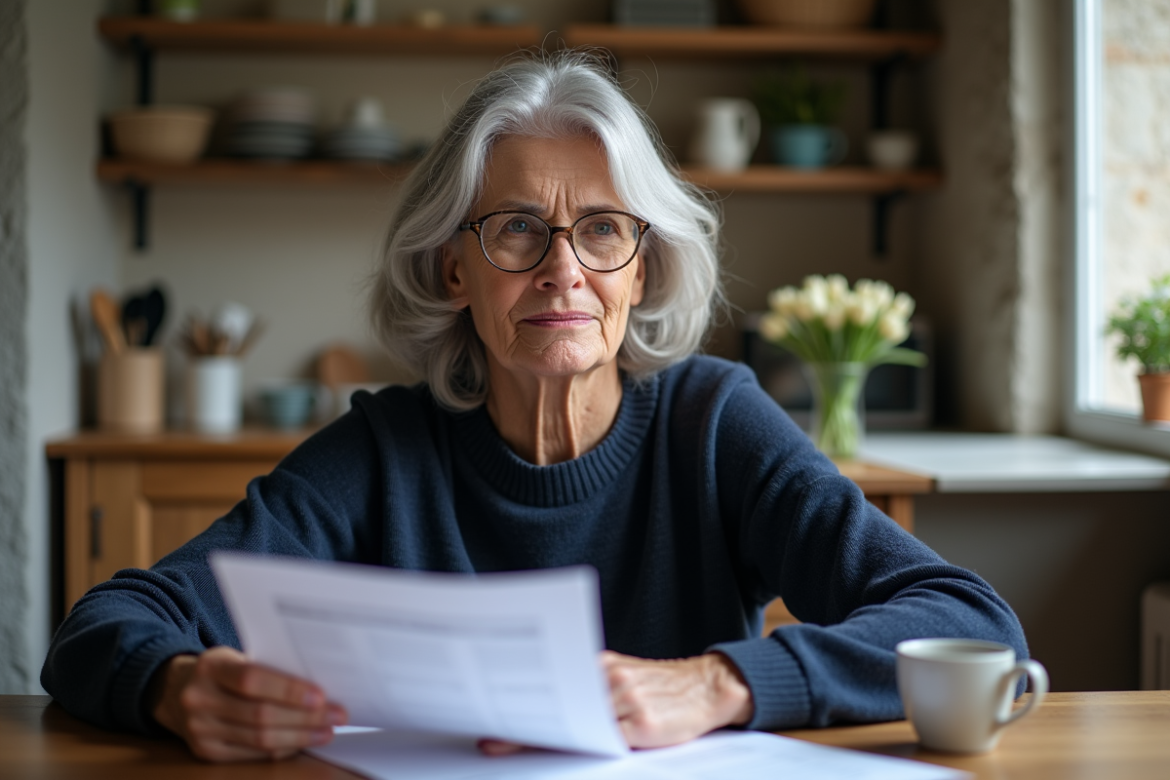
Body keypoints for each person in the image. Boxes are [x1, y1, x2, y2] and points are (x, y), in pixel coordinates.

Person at [42, 51, 1027, 763]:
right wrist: (172, 686)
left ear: (641, 270)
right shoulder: (384, 450)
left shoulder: (714, 423)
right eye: (517, 228)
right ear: (453, 269)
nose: (564, 270)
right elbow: (107, 622)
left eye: (602, 230)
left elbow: (972, 623)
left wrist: (720, 683)